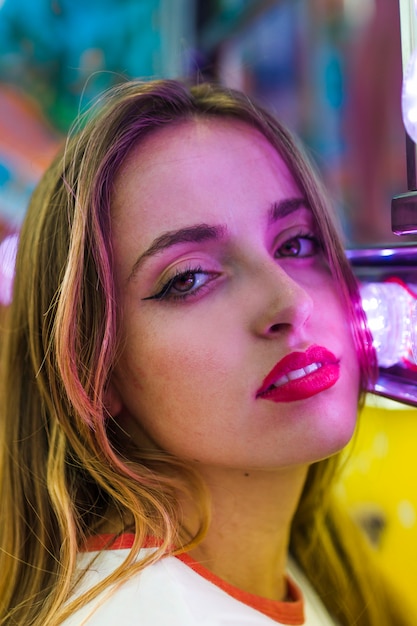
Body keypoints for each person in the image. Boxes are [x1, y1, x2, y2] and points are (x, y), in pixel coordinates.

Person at [0, 79, 411, 626]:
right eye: (190, 278)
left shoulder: (297, 572)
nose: (289, 300)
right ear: (94, 372)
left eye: (296, 243)